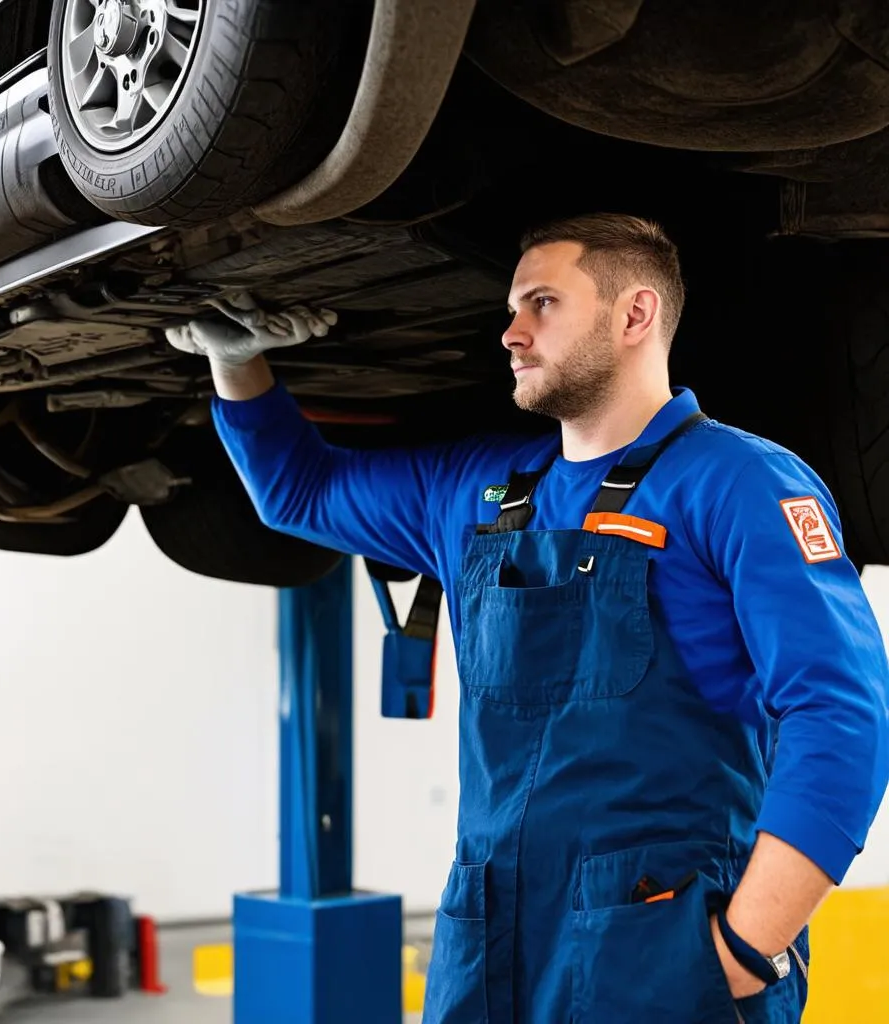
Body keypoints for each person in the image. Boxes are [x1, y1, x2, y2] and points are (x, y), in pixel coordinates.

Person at [166, 213, 889, 1023]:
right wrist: (235, 363)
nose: (512, 333)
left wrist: (747, 949)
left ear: (635, 315)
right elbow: (297, 492)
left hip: (658, 944)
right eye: (514, 307)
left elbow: (842, 712)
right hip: (489, 940)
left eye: (543, 303)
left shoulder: (738, 483)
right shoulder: (479, 491)